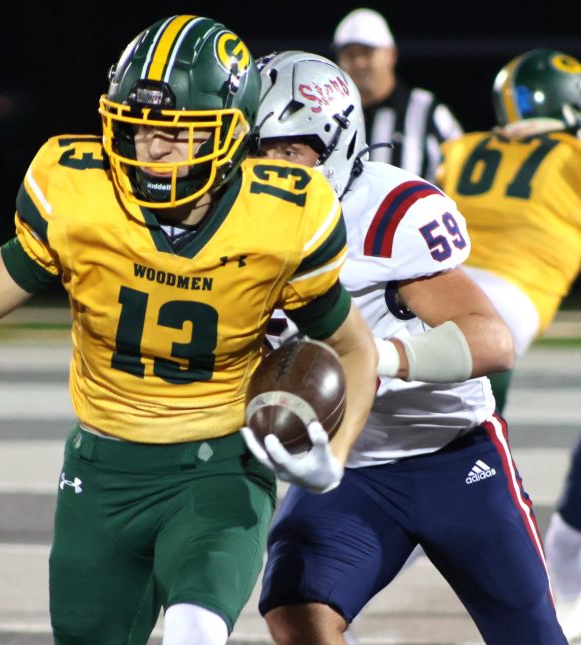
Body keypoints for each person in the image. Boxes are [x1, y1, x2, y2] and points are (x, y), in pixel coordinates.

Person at [0, 16, 378, 645]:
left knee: (194, 631)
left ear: (232, 132)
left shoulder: (283, 214)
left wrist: (336, 455)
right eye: (137, 127)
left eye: (176, 132)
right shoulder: (80, 193)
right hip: (100, 471)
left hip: (219, 468)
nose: (151, 149)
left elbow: (353, 345)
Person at [244, 50, 566, 644]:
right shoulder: (234, 224)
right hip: (353, 472)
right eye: (257, 151)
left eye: (290, 151)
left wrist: (374, 358)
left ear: (336, 142)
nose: (271, 169)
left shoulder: (386, 212)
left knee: (533, 637)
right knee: (295, 611)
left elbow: (492, 339)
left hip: (453, 454)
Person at [437, 48, 581, 640]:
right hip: (502, 308)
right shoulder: (571, 156)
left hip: (433, 292)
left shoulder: (462, 148)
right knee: (463, 472)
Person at [331, 7, 463, 183]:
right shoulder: (330, 112)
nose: (359, 62)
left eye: (366, 53)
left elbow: (461, 169)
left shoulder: (426, 110)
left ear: (390, 54)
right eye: (349, 54)